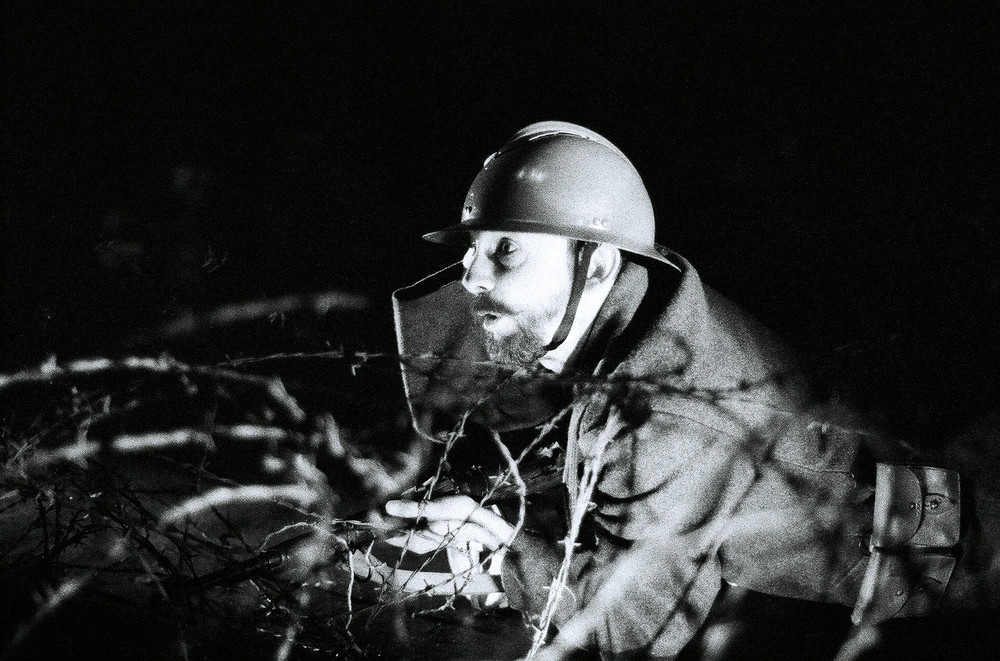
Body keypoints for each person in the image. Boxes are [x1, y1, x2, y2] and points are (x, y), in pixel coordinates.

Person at [385, 122, 995, 659]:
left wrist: (507, 561)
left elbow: (642, 629)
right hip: (918, 493)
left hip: (943, 574)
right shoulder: (645, 298)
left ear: (594, 264)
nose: (469, 277)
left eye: (506, 250)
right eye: (473, 248)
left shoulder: (661, 418)